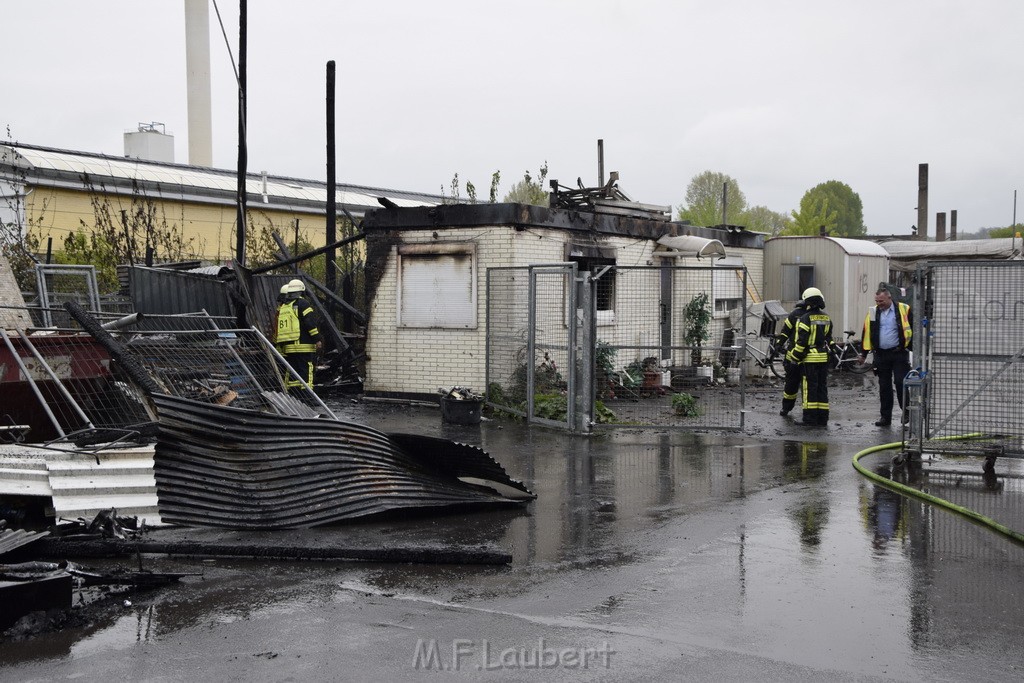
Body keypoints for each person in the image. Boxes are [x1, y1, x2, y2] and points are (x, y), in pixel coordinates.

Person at [859, 286, 912, 427]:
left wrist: (912, 348)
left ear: (889, 298)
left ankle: (906, 413)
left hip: (899, 353)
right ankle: (885, 417)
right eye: (877, 301)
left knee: (901, 383)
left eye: (881, 301)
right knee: (884, 387)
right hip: (881, 355)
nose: (879, 304)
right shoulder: (873, 311)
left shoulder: (904, 309)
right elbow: (866, 332)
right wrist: (863, 353)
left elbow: (912, 328)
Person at [786, 287, 833, 427]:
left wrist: (794, 358)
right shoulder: (826, 317)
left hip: (809, 360)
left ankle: (809, 419)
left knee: (809, 389)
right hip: (823, 358)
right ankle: (823, 419)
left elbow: (801, 342)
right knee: (821, 388)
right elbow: (828, 338)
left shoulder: (805, 318)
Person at [274, 278, 321, 390]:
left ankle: (293, 394)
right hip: (303, 345)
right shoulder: (303, 303)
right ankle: (307, 396)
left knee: (291, 371)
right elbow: (310, 323)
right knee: (306, 370)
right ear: (301, 291)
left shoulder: (285, 307)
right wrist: (317, 339)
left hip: (288, 347)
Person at [776, 298, 807, 416]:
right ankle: (806, 411)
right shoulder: (799, 315)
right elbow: (786, 331)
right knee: (803, 387)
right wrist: (779, 343)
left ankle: (786, 408)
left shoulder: (795, 314)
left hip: (795, 356)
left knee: (791, 385)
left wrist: (779, 343)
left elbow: (785, 332)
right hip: (805, 358)